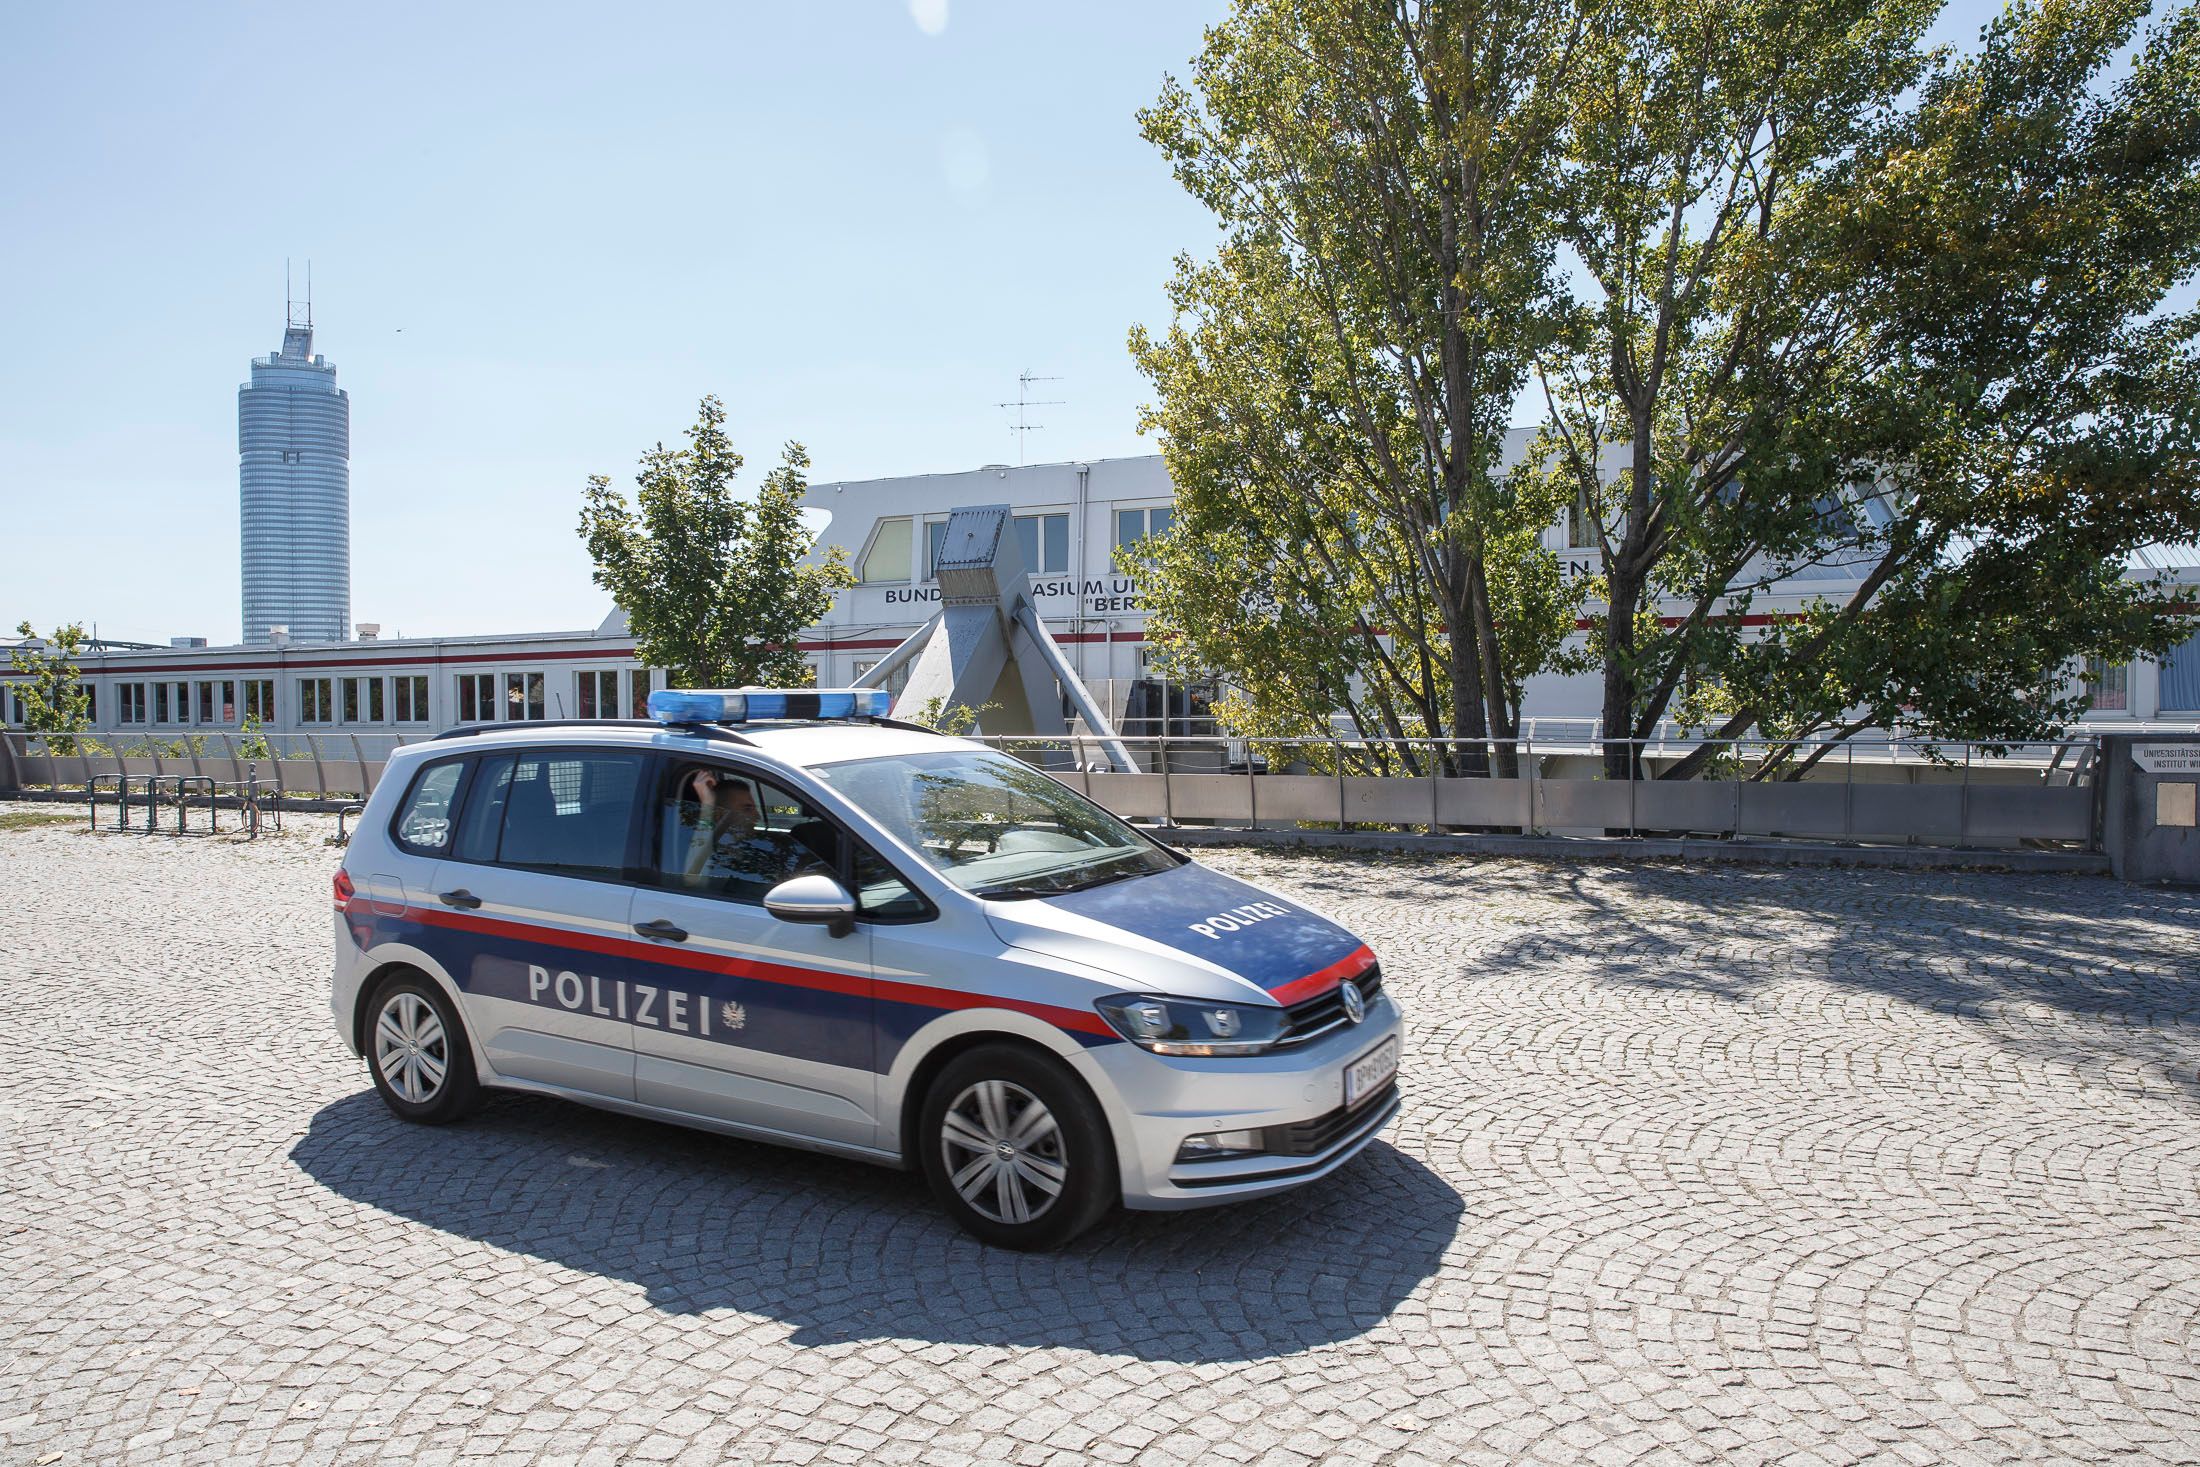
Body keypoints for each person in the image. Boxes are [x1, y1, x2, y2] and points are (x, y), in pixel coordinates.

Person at [669, 769, 805, 893]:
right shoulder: (717, 857)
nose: (757, 816)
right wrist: (707, 808)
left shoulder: (759, 847)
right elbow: (692, 879)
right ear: (720, 815)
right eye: (747, 809)